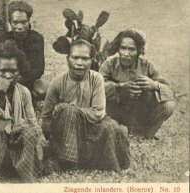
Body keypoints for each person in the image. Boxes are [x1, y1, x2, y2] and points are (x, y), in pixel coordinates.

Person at [41, 39, 130, 171]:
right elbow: (46, 119)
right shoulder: (57, 83)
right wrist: (54, 136)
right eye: (75, 58)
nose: (80, 63)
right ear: (67, 59)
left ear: (91, 60)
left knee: (112, 127)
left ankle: (95, 160)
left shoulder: (96, 79)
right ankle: (67, 161)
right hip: (65, 130)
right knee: (68, 112)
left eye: (85, 58)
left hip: (90, 128)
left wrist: (73, 109)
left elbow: (98, 113)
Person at [0, 40, 43, 182]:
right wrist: (0, 95)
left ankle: (23, 169)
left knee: (30, 132)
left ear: (20, 71)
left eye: (13, 71)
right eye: (3, 71)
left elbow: (32, 121)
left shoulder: (24, 92)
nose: (8, 75)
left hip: (14, 135)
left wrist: (38, 143)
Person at [99, 29, 176, 139]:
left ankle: (147, 134)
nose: (126, 53)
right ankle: (115, 130)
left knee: (169, 105)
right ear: (118, 49)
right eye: (123, 48)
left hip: (142, 113)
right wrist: (119, 87)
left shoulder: (147, 66)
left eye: (131, 49)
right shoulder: (109, 65)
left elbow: (169, 90)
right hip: (115, 112)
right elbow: (97, 87)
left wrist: (154, 85)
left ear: (139, 51)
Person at [0, 0, 48, 102]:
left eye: (23, 22)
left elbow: (39, 68)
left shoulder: (37, 38)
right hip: (7, 79)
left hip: (29, 81)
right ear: (10, 22)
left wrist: (22, 82)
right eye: (15, 22)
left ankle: (24, 97)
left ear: (28, 21)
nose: (19, 27)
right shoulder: (3, 38)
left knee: (43, 89)